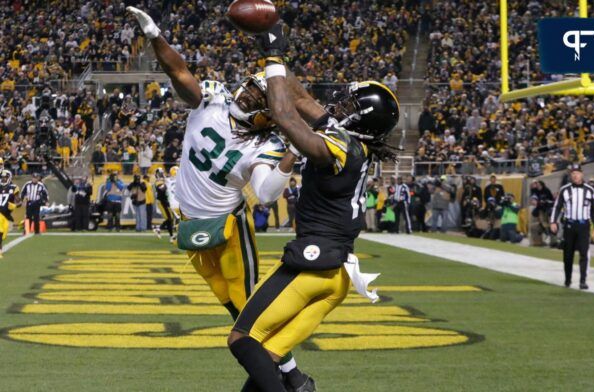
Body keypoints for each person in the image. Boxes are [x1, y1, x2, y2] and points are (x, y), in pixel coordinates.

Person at [127, 7, 314, 389]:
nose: (247, 94)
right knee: (229, 302)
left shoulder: (267, 144)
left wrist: (296, 150)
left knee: (250, 312)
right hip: (190, 224)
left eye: (258, 95)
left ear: (270, 112)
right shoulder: (211, 99)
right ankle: (288, 374)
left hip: (229, 228)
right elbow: (179, 73)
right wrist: (156, 36)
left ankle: (292, 378)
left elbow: (264, 193)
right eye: (249, 86)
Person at [228, 24, 399, 392]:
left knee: (242, 338)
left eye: (352, 104)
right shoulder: (355, 145)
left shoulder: (339, 147)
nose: (341, 103)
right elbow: (302, 98)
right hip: (336, 274)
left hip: (312, 263)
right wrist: (272, 52)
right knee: (270, 356)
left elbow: (287, 116)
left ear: (362, 116)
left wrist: (273, 58)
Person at [550, 164, 594, 289]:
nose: (575, 175)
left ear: (582, 174)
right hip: (569, 225)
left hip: (584, 226)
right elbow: (557, 206)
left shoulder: (590, 190)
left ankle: (583, 280)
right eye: (573, 173)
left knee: (584, 253)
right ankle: (568, 279)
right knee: (568, 254)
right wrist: (553, 221)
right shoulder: (565, 189)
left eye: (577, 173)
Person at [153, 168, 176, 243]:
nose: (163, 174)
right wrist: (166, 185)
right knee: (170, 218)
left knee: (170, 219)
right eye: (161, 173)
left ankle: (170, 236)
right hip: (162, 201)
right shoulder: (158, 181)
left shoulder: (163, 180)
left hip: (165, 201)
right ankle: (158, 228)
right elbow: (161, 189)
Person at [0, 170, 18, 257]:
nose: (3, 179)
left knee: (4, 235)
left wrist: (14, 205)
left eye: (5, 178)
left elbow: (20, 202)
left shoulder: (13, 187)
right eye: (2, 177)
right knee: (0, 232)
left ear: (9, 178)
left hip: (7, 215)